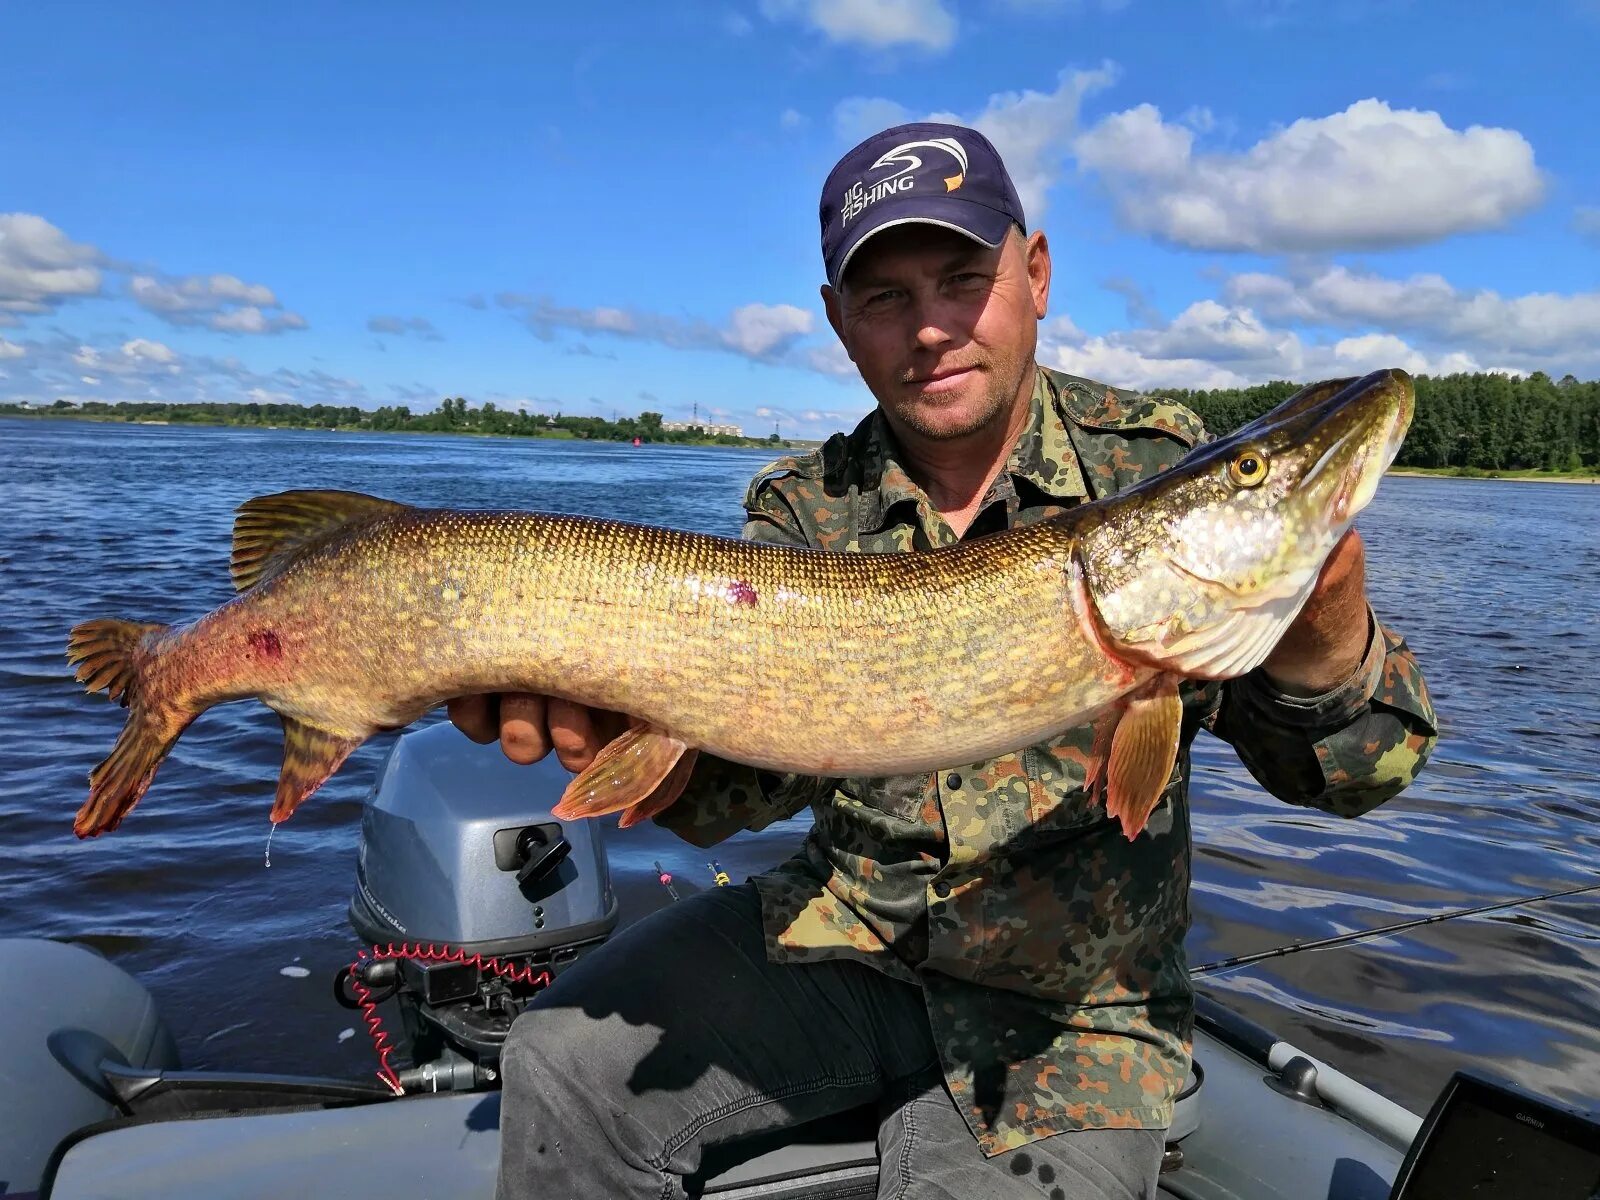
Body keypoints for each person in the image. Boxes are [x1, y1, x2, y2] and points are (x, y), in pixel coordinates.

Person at [455, 122, 1439, 1200]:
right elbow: (746, 784)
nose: (930, 328)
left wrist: (1323, 629)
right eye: (884, 298)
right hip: (842, 939)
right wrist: (634, 732)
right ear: (839, 322)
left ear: (1035, 273)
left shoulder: (1146, 472)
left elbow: (1354, 785)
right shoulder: (802, 505)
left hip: (1074, 1014)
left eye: (963, 278)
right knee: (557, 1060)